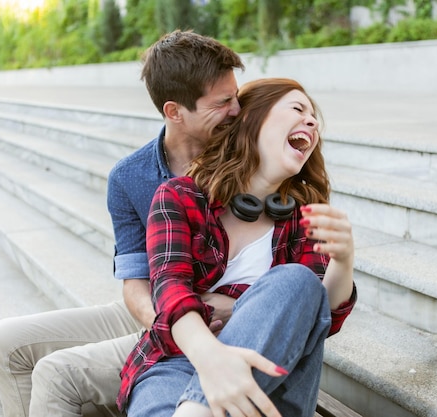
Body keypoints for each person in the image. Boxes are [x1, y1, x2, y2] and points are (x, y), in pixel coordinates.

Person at [0, 30, 245, 417]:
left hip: (218, 314)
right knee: (4, 341)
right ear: (174, 111)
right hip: (159, 310)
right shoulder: (130, 177)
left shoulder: (247, 155)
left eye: (235, 96)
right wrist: (169, 320)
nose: (237, 110)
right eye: (223, 102)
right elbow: (135, 282)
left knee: (56, 376)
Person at [117, 78, 357, 417]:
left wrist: (344, 261)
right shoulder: (180, 197)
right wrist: (213, 362)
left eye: (313, 117)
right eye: (298, 109)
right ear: (250, 118)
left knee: (297, 281)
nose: (312, 121)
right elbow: (170, 293)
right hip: (179, 364)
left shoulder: (304, 217)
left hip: (272, 381)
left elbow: (320, 315)